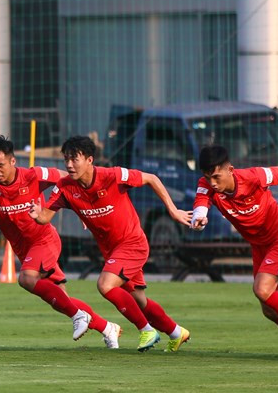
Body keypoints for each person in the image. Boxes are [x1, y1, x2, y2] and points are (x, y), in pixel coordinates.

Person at [29, 135, 193, 352]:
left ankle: (146, 330)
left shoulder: (113, 175)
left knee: (105, 285)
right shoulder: (64, 187)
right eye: (66, 159)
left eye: (74, 159)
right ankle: (175, 332)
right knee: (140, 301)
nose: (69, 165)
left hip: (132, 243)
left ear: (89, 159)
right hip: (112, 251)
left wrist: (173, 211)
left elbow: (151, 178)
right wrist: (36, 214)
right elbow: (45, 217)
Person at [0, 135, 122, 348]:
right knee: (61, 300)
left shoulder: (34, 175)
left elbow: (67, 178)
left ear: (13, 161)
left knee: (26, 279)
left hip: (44, 240)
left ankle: (78, 317)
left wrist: (83, 209)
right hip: (24, 249)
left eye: (0, 165)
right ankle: (108, 328)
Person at [191, 145, 278, 360]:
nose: (212, 183)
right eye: (208, 178)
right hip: (260, 246)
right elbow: (200, 206)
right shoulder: (206, 186)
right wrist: (199, 219)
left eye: (217, 177)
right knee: (269, 310)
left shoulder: (253, 177)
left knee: (262, 290)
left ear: (230, 169)